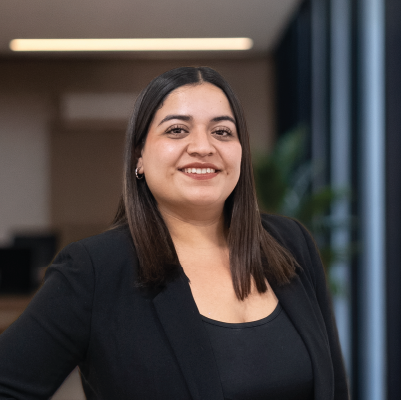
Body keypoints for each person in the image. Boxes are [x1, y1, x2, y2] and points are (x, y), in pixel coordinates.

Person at [0, 66, 349, 400]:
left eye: (222, 132)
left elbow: (334, 388)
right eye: (177, 130)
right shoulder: (92, 270)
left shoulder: (290, 243)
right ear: (139, 155)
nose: (203, 146)